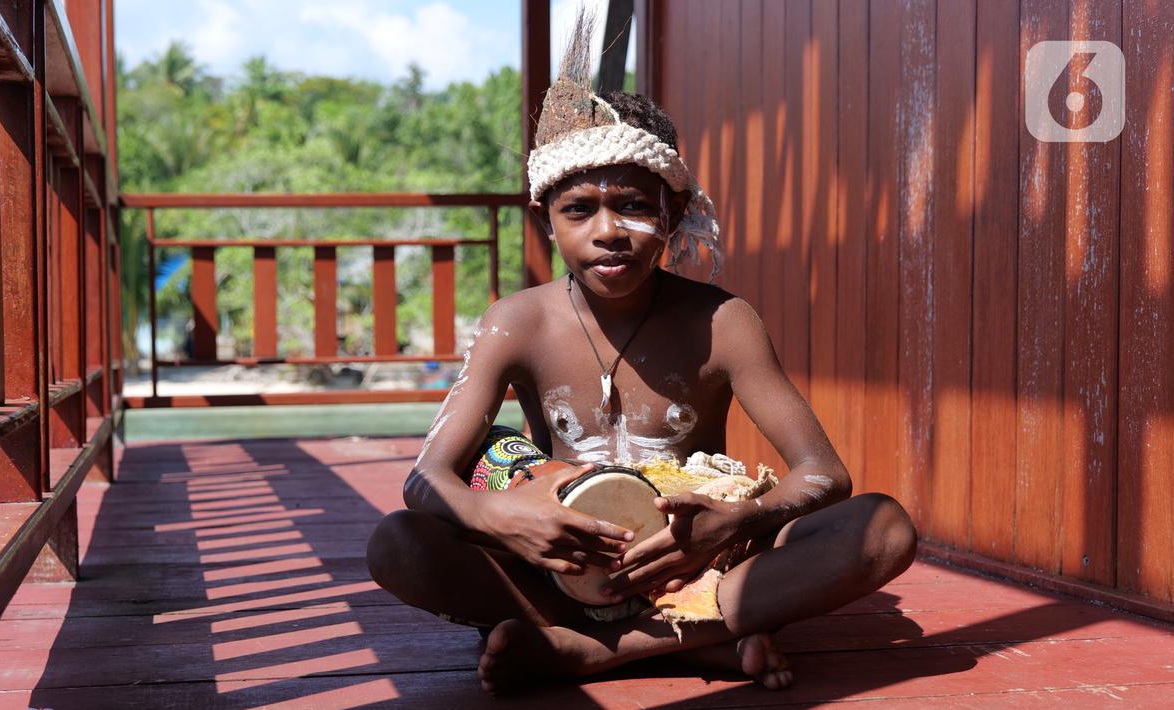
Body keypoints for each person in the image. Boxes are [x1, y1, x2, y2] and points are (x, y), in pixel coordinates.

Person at [367, 13, 916, 695]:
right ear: (545, 219)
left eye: (632, 205)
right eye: (579, 210)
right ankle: (698, 643)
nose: (608, 232)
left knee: (883, 528)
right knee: (395, 543)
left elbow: (823, 475)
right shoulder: (516, 323)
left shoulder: (722, 321)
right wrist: (498, 516)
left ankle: (600, 651)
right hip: (561, 568)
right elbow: (427, 480)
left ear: (673, 210)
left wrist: (736, 520)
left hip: (701, 565)